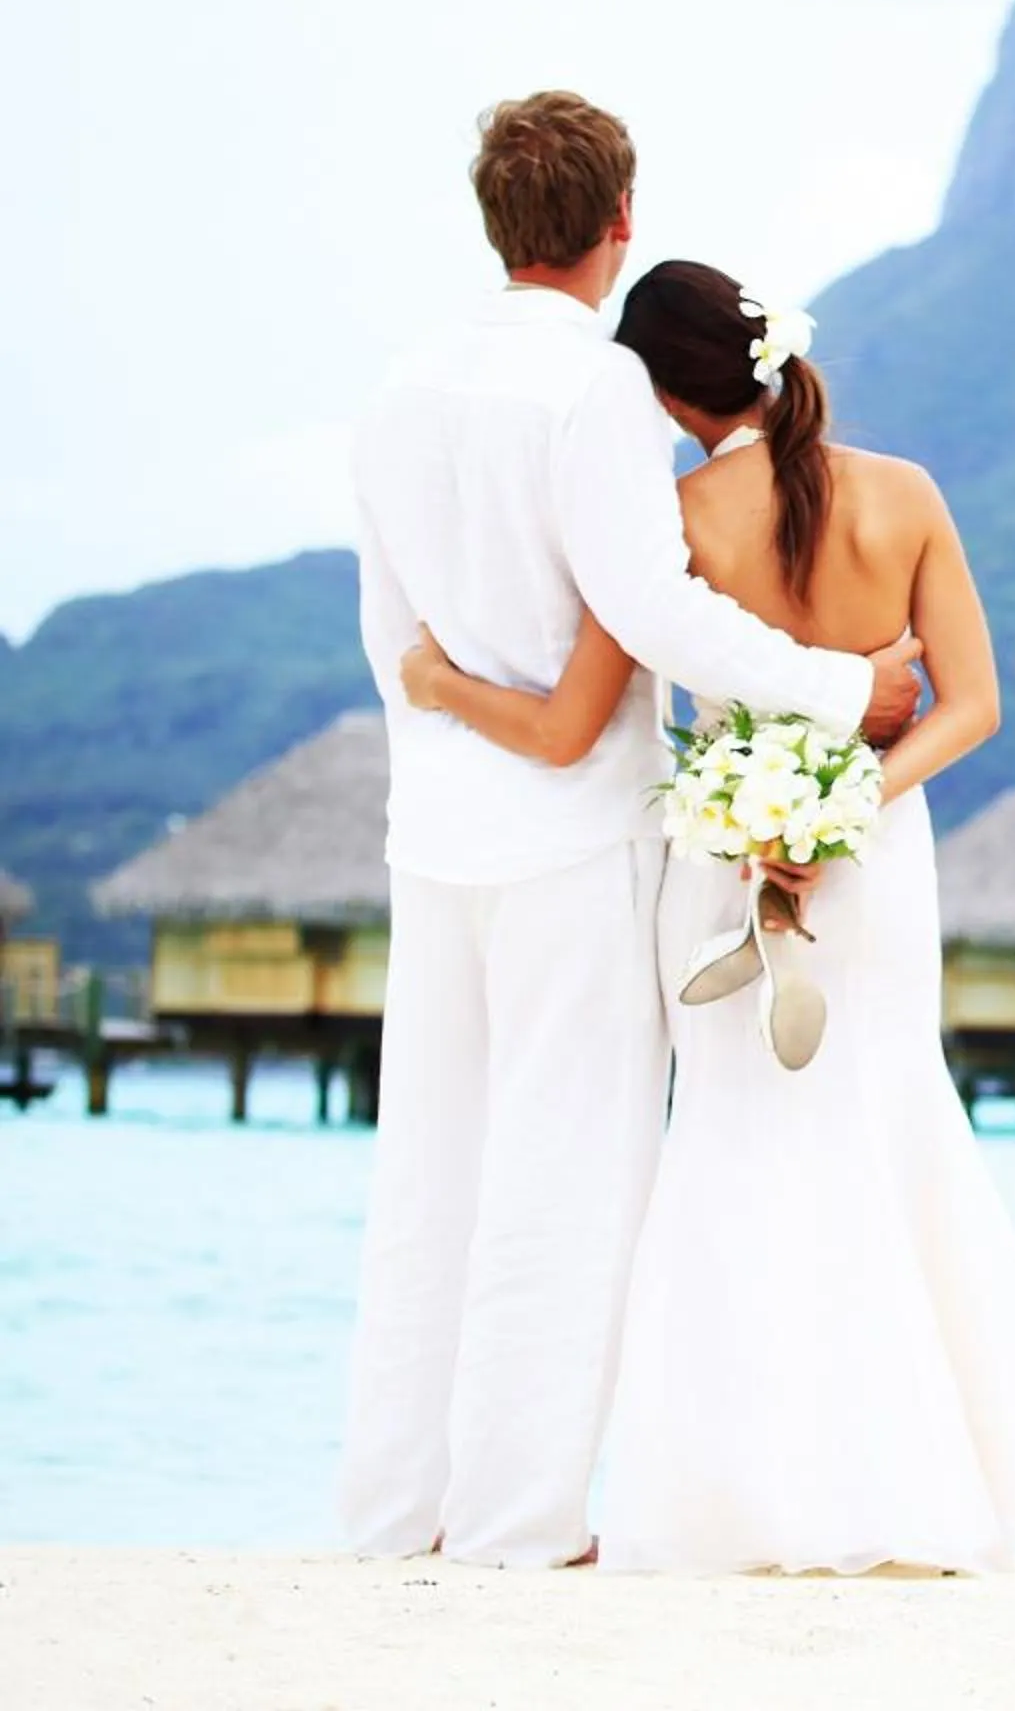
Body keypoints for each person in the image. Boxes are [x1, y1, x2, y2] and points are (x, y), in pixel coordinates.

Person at [400, 258, 1015, 1574]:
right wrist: (846, 809)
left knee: (735, 1151)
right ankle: (919, 1490)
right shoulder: (904, 494)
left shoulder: (671, 525)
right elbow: (970, 707)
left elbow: (575, 719)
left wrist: (439, 681)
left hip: (724, 866)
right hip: (873, 868)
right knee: (886, 1134)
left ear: (668, 395)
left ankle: (731, 1503)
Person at [341, 93, 928, 1570]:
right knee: (569, 1170)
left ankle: (391, 1510)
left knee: (427, 1168)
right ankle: (524, 1522)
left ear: (496, 223)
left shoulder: (400, 384)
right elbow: (653, 606)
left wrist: (446, 730)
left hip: (436, 831)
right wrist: (842, 684)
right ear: (619, 227)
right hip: (570, 838)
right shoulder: (598, 396)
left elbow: (386, 634)